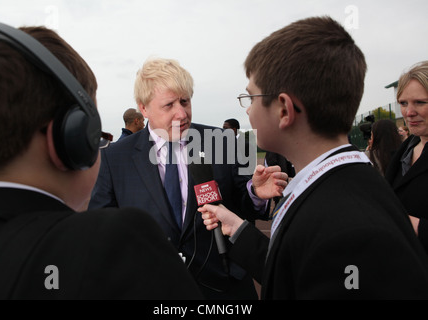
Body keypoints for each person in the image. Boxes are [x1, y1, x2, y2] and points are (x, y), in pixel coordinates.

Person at [199, 17, 428, 299]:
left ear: (283, 109)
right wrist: (238, 228)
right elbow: (298, 272)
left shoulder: (347, 224)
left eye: (251, 98)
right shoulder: (340, 185)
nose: (247, 111)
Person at [0, 23, 202, 299]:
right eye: (96, 134)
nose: (181, 113)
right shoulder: (113, 241)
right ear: (70, 138)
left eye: (185, 101)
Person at [89, 58, 287, 299]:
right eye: (169, 105)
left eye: (185, 101)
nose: (181, 113)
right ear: (144, 109)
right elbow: (103, 229)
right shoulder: (114, 158)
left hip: (222, 288)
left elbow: (244, 206)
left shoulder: (223, 142)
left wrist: (255, 193)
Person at [386, 61, 428, 254]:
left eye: (420, 102)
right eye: (403, 103)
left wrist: (413, 225)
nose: (409, 113)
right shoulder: (405, 150)